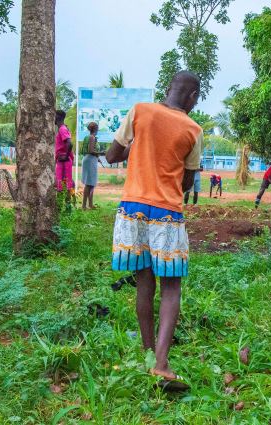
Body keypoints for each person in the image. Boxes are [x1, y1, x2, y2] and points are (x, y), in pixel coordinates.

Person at [105, 71, 203, 383]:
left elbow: (111, 155)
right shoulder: (193, 128)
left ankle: (149, 352)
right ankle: (161, 362)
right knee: (171, 286)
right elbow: (187, 181)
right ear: (192, 97)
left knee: (144, 282)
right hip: (167, 213)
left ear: (168, 89)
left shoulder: (140, 111)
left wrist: (137, 147)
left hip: (132, 209)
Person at [81, 122, 104, 210]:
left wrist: (97, 158)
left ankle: (90, 204)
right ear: (96, 128)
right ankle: (84, 206)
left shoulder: (91, 137)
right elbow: (91, 151)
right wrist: (101, 153)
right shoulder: (91, 137)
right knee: (89, 183)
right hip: (90, 160)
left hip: (91, 160)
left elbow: (91, 151)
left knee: (92, 183)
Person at [55, 110, 75, 204]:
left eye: (53, 115)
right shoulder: (62, 129)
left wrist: (66, 156)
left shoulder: (62, 129)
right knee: (64, 184)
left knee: (63, 185)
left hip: (64, 161)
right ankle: (65, 208)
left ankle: (64, 208)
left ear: (58, 117)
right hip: (62, 160)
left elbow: (70, 143)